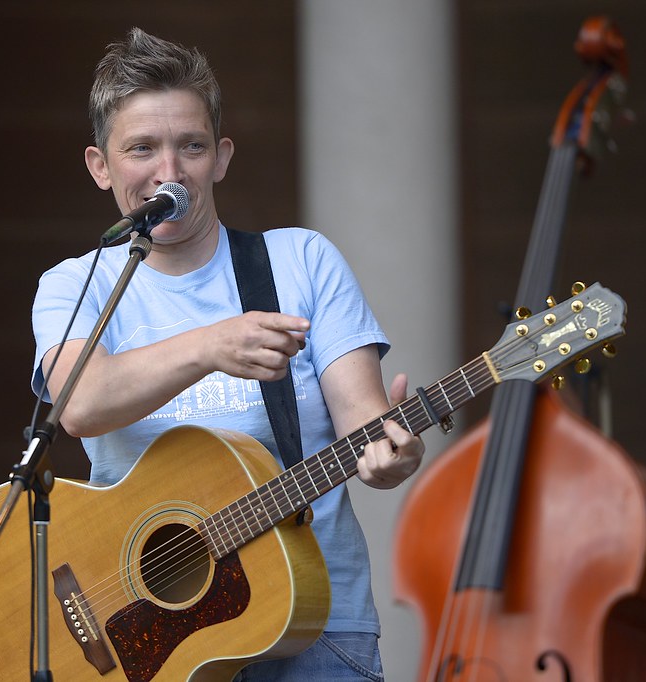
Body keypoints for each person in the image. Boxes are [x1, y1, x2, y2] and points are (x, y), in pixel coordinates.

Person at [31, 27, 425, 682]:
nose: (169, 172)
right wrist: (211, 344)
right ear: (100, 166)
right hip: (147, 634)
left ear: (220, 156)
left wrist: (388, 454)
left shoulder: (300, 262)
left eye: (190, 146)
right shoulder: (74, 286)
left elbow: (363, 424)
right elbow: (79, 406)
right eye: (141, 149)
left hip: (309, 623)